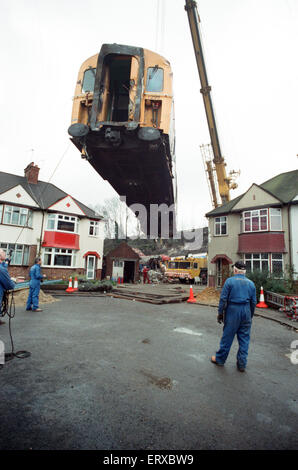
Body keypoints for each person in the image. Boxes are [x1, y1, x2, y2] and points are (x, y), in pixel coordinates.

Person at [211, 260, 257, 372]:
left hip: (233, 310)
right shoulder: (251, 284)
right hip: (246, 310)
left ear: (235, 270)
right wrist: (249, 315)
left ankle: (220, 359)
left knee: (227, 337)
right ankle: (242, 364)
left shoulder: (229, 282)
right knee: (244, 339)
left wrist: (220, 313)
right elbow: (254, 302)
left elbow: (223, 299)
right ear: (245, 271)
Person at [0, 249, 15, 324]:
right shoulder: (1, 269)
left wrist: (6, 262)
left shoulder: (2, 266)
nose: (5, 253)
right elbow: (9, 285)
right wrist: (13, 281)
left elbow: (3, 266)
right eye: (3, 252)